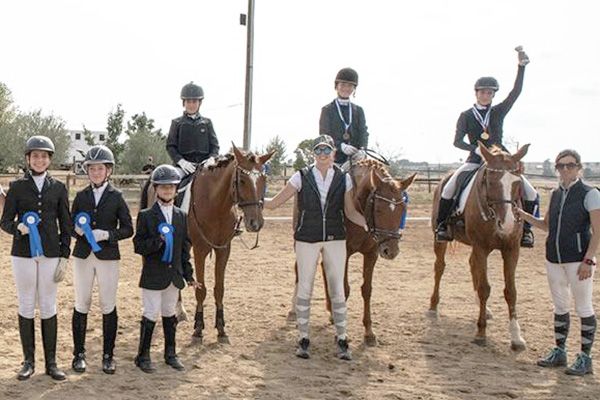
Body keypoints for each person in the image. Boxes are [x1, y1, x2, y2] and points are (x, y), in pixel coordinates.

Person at [265, 135, 367, 360]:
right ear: (314, 154)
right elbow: (275, 203)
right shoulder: (300, 176)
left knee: (337, 288)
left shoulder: (343, 178)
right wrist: (254, 201)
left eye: (327, 150)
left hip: (335, 237)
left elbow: (350, 211)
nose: (323, 154)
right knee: (305, 287)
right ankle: (303, 337)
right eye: (319, 150)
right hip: (307, 238)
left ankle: (342, 338)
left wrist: (368, 224)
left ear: (333, 154)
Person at [435, 47, 538, 248]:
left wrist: (521, 67)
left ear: (493, 95)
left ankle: (526, 230)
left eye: (490, 92)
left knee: (531, 192)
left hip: (501, 162)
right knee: (448, 188)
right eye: (482, 92)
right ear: (476, 93)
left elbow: (515, 93)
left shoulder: (498, 111)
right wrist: (475, 149)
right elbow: (457, 141)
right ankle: (442, 226)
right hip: (475, 160)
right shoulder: (466, 115)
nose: (486, 95)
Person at [518, 149, 599, 376]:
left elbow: (598, 231)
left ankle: (585, 358)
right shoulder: (555, 194)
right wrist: (523, 215)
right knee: (560, 307)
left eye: (570, 165)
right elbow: (547, 225)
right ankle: (560, 351)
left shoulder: (590, 193)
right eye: (561, 166)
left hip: (578, 260)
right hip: (554, 259)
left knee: (583, 307)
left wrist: (588, 259)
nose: (565, 169)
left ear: (578, 167)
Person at [0, 135, 71, 381]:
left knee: (49, 305)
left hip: (50, 252)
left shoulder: (59, 188)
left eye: (44, 156)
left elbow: (66, 224)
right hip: (23, 254)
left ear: (49, 159)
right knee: (26, 304)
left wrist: (65, 255)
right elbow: (5, 221)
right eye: (35, 156)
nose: (39, 160)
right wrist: (18, 227)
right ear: (28, 159)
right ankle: (28, 361)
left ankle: (51, 362)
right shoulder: (17, 187)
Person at [70, 145, 134, 374]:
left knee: (108, 304)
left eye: (100, 169)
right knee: (82, 302)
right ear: (87, 171)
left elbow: (128, 229)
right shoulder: (81, 196)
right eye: (92, 169)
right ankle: (79, 354)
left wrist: (107, 234)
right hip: (83, 256)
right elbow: (70, 223)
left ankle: (108, 355)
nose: (96, 172)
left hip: (107, 256)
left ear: (108, 171)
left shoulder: (117, 197)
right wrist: (76, 230)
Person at [133, 164, 200, 373]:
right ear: (156, 189)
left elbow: (184, 249)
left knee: (170, 313)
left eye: (171, 187)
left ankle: (170, 354)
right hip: (154, 274)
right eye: (163, 187)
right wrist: (158, 241)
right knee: (151, 312)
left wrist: (189, 275)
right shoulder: (146, 215)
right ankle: (143, 356)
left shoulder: (181, 216)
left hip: (174, 274)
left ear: (176, 189)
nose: (167, 190)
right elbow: (138, 246)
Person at [166, 82, 220, 177]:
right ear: (184, 103)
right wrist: (181, 162)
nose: (191, 105)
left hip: (204, 166)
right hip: (183, 167)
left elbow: (215, 146)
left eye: (194, 102)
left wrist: (211, 158)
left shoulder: (207, 123)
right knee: (172, 178)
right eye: (188, 102)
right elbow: (170, 146)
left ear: (200, 103)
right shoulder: (176, 123)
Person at [319, 68, 369, 165]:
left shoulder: (359, 110)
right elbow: (324, 135)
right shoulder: (327, 110)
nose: (346, 88)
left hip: (356, 157)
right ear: (336, 86)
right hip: (334, 158)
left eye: (350, 85)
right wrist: (341, 146)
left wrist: (363, 149)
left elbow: (363, 132)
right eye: (342, 85)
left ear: (354, 88)